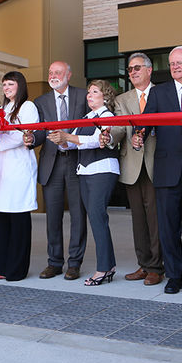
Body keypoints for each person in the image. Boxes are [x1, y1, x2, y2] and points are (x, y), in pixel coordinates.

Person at [134, 45, 182, 295]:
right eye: (171, 64)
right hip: (167, 168)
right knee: (169, 226)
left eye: (179, 63)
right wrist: (138, 135)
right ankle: (174, 275)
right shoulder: (159, 93)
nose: (174, 67)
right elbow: (145, 123)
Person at [50, 80, 119, 286]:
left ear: (105, 96)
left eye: (95, 92)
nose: (89, 95)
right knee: (96, 218)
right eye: (88, 92)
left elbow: (97, 141)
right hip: (86, 170)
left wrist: (68, 136)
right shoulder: (86, 118)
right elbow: (75, 145)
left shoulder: (108, 116)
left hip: (102, 169)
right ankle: (109, 265)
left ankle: (104, 268)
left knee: (98, 218)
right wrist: (61, 141)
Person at [26, 61, 89, 281]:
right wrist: (32, 138)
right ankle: (54, 262)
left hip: (76, 161)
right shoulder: (41, 101)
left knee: (78, 216)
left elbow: (90, 126)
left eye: (58, 72)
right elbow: (39, 132)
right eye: (51, 72)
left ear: (68, 75)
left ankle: (74, 263)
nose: (53, 75)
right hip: (51, 163)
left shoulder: (83, 97)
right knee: (53, 217)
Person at [108, 53, 164, 286]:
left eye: (137, 68)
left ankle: (157, 267)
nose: (132, 72)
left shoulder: (162, 94)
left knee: (155, 219)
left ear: (149, 70)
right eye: (130, 69)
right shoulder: (122, 99)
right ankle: (144, 264)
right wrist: (109, 136)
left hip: (156, 163)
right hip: (131, 164)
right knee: (138, 219)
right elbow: (120, 128)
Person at [0, 71, 39, 281]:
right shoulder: (0, 109)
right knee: (1, 220)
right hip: (0, 170)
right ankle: (1, 267)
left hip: (18, 169)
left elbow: (21, 135)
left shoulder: (28, 107)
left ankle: (16, 269)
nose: (7, 87)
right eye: (4, 84)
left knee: (18, 220)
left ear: (20, 85)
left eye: (11, 84)